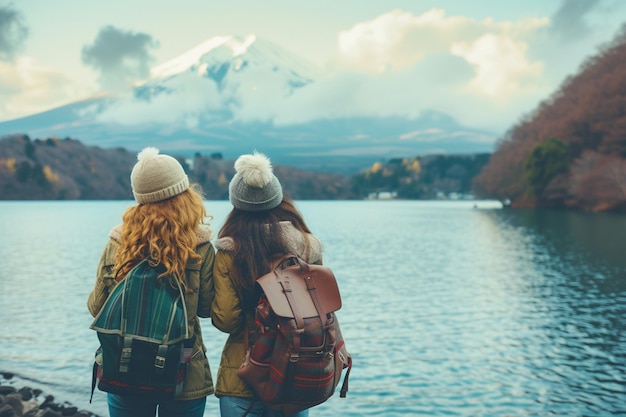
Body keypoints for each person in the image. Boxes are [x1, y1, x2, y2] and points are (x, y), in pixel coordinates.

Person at [87, 147, 216, 417]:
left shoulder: (118, 243)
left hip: (125, 367)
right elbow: (205, 309)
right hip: (184, 371)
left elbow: (97, 306)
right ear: (184, 194)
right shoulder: (200, 247)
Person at [211, 152, 322, 417]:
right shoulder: (308, 246)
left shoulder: (229, 251)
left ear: (236, 203)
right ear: (278, 198)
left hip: (242, 376)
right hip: (296, 375)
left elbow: (226, 320)